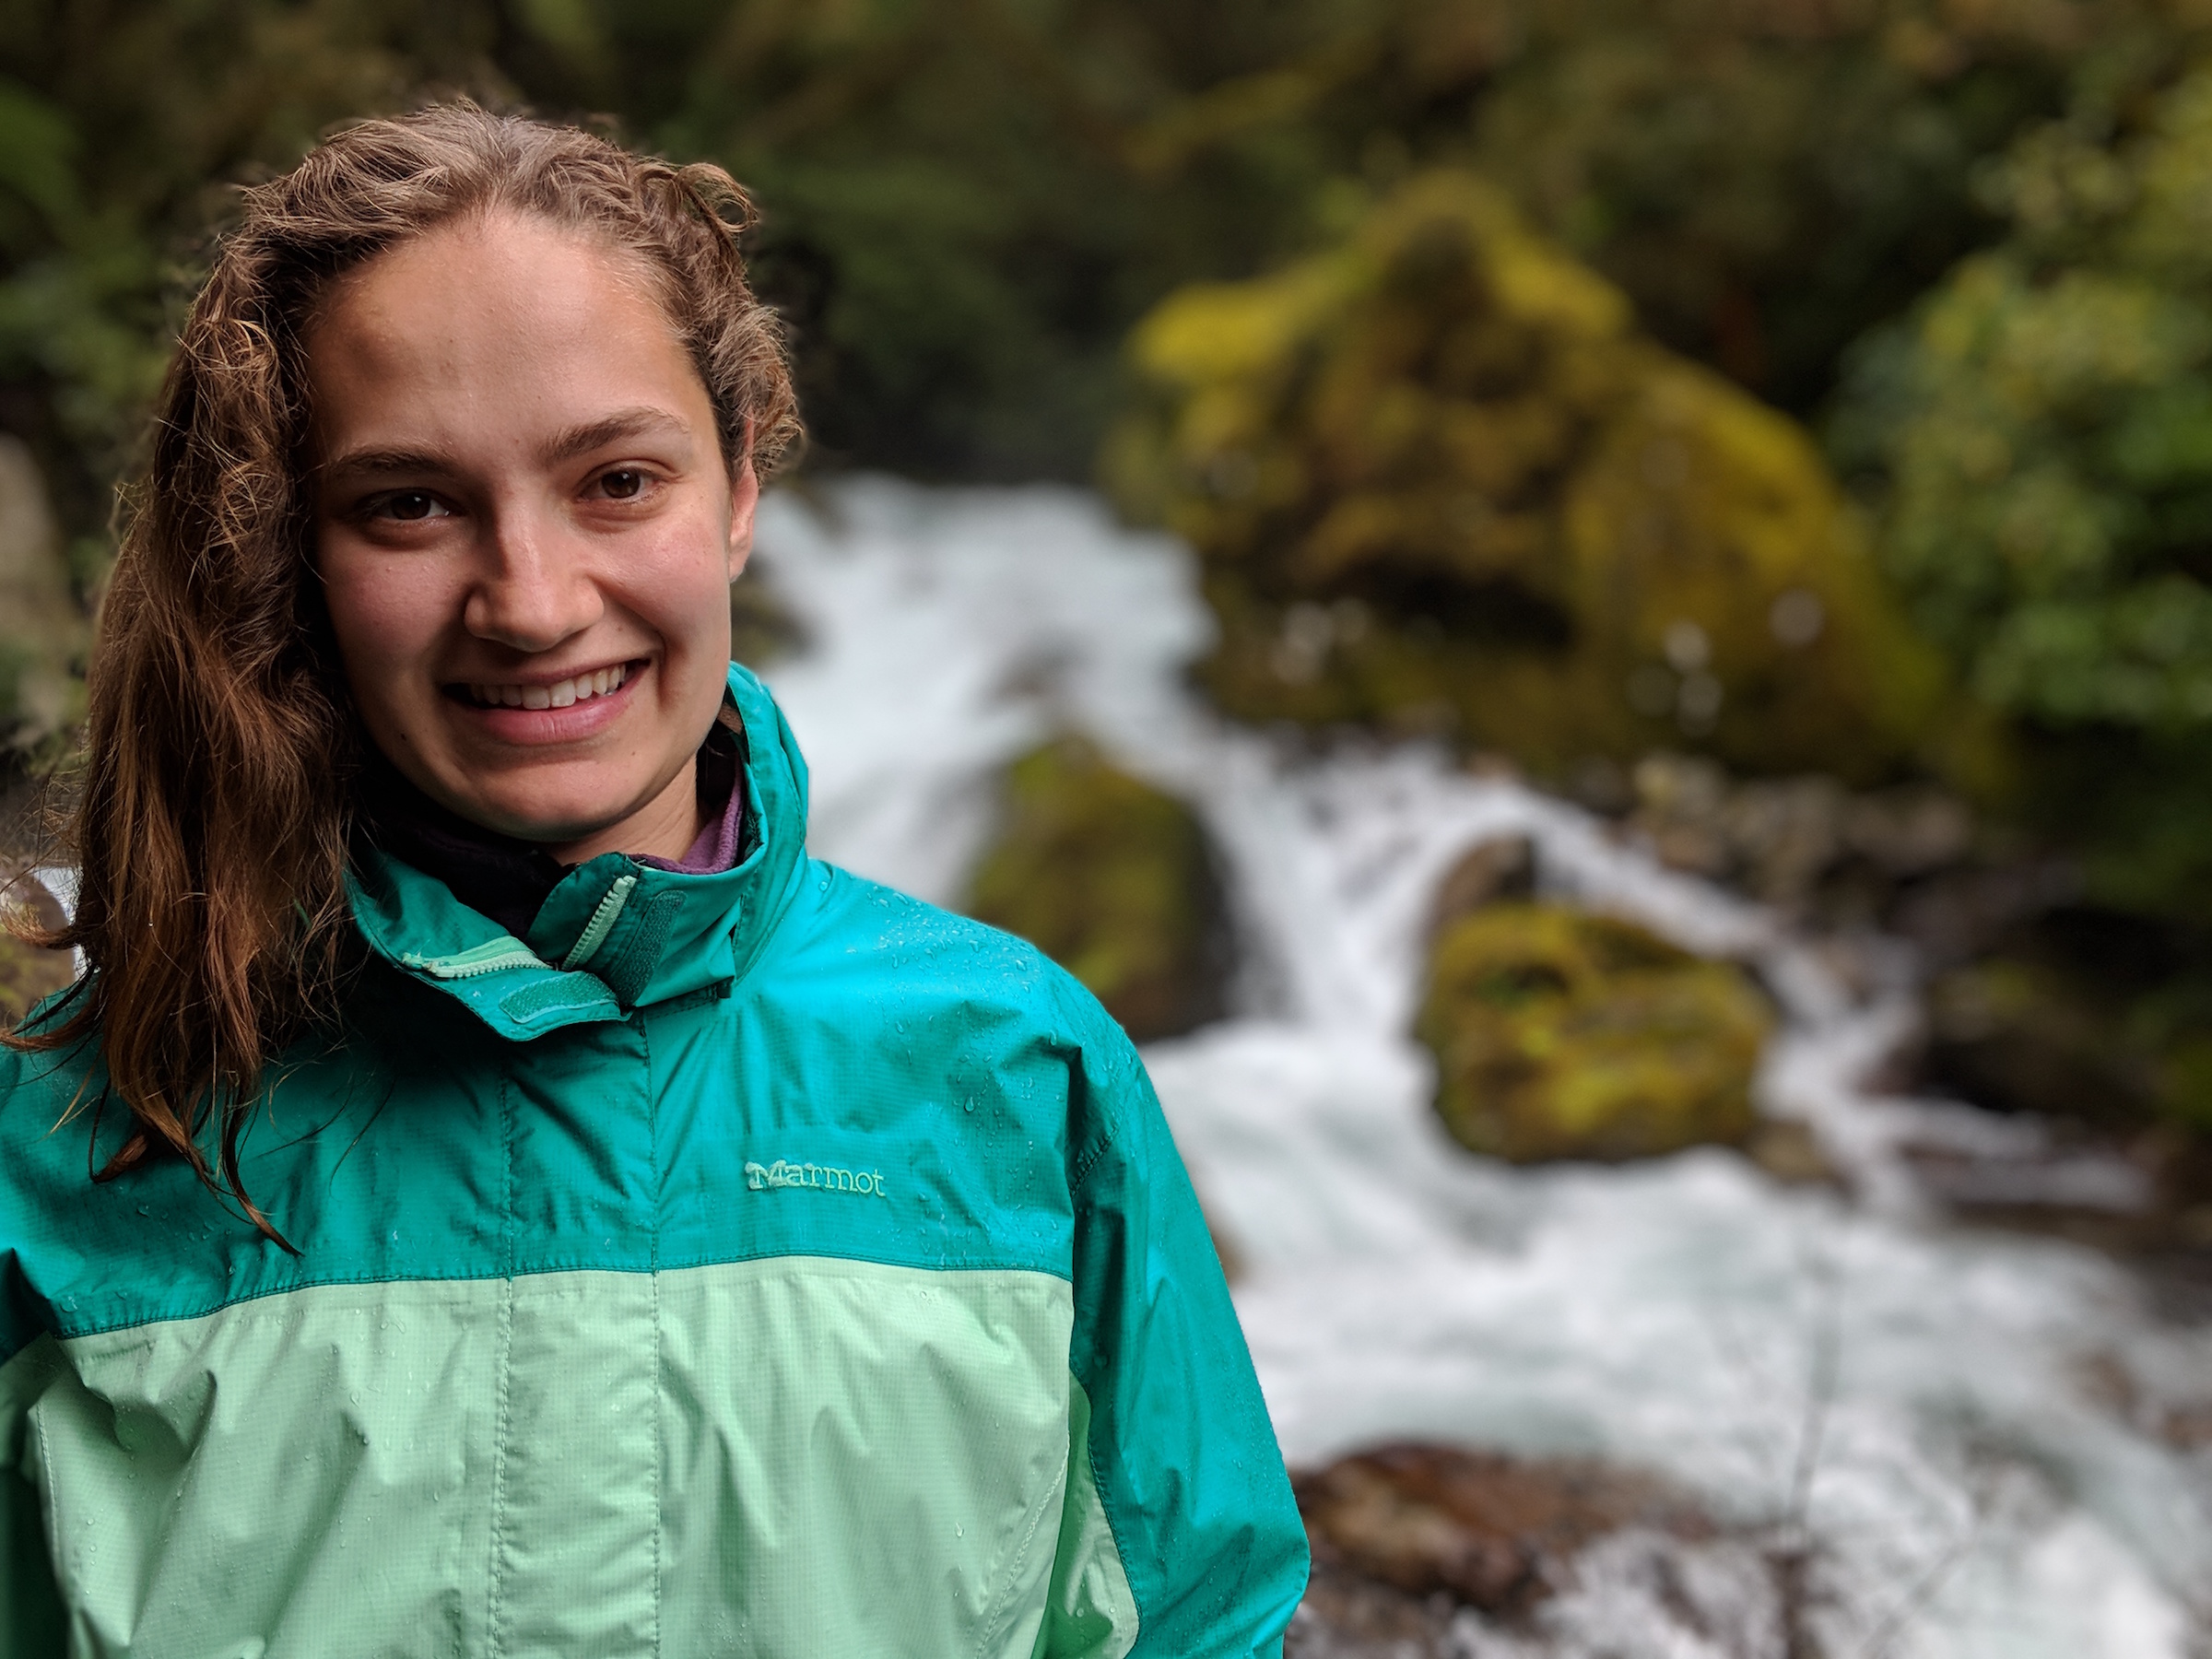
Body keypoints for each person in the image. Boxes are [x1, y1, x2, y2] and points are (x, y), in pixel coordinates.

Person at [0, 103, 1306, 1656]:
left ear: (742, 482)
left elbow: (1202, 1623)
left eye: (617, 480)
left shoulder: (1020, 1077)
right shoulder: (74, 1129)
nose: (535, 603)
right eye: (410, 502)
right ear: (293, 544)